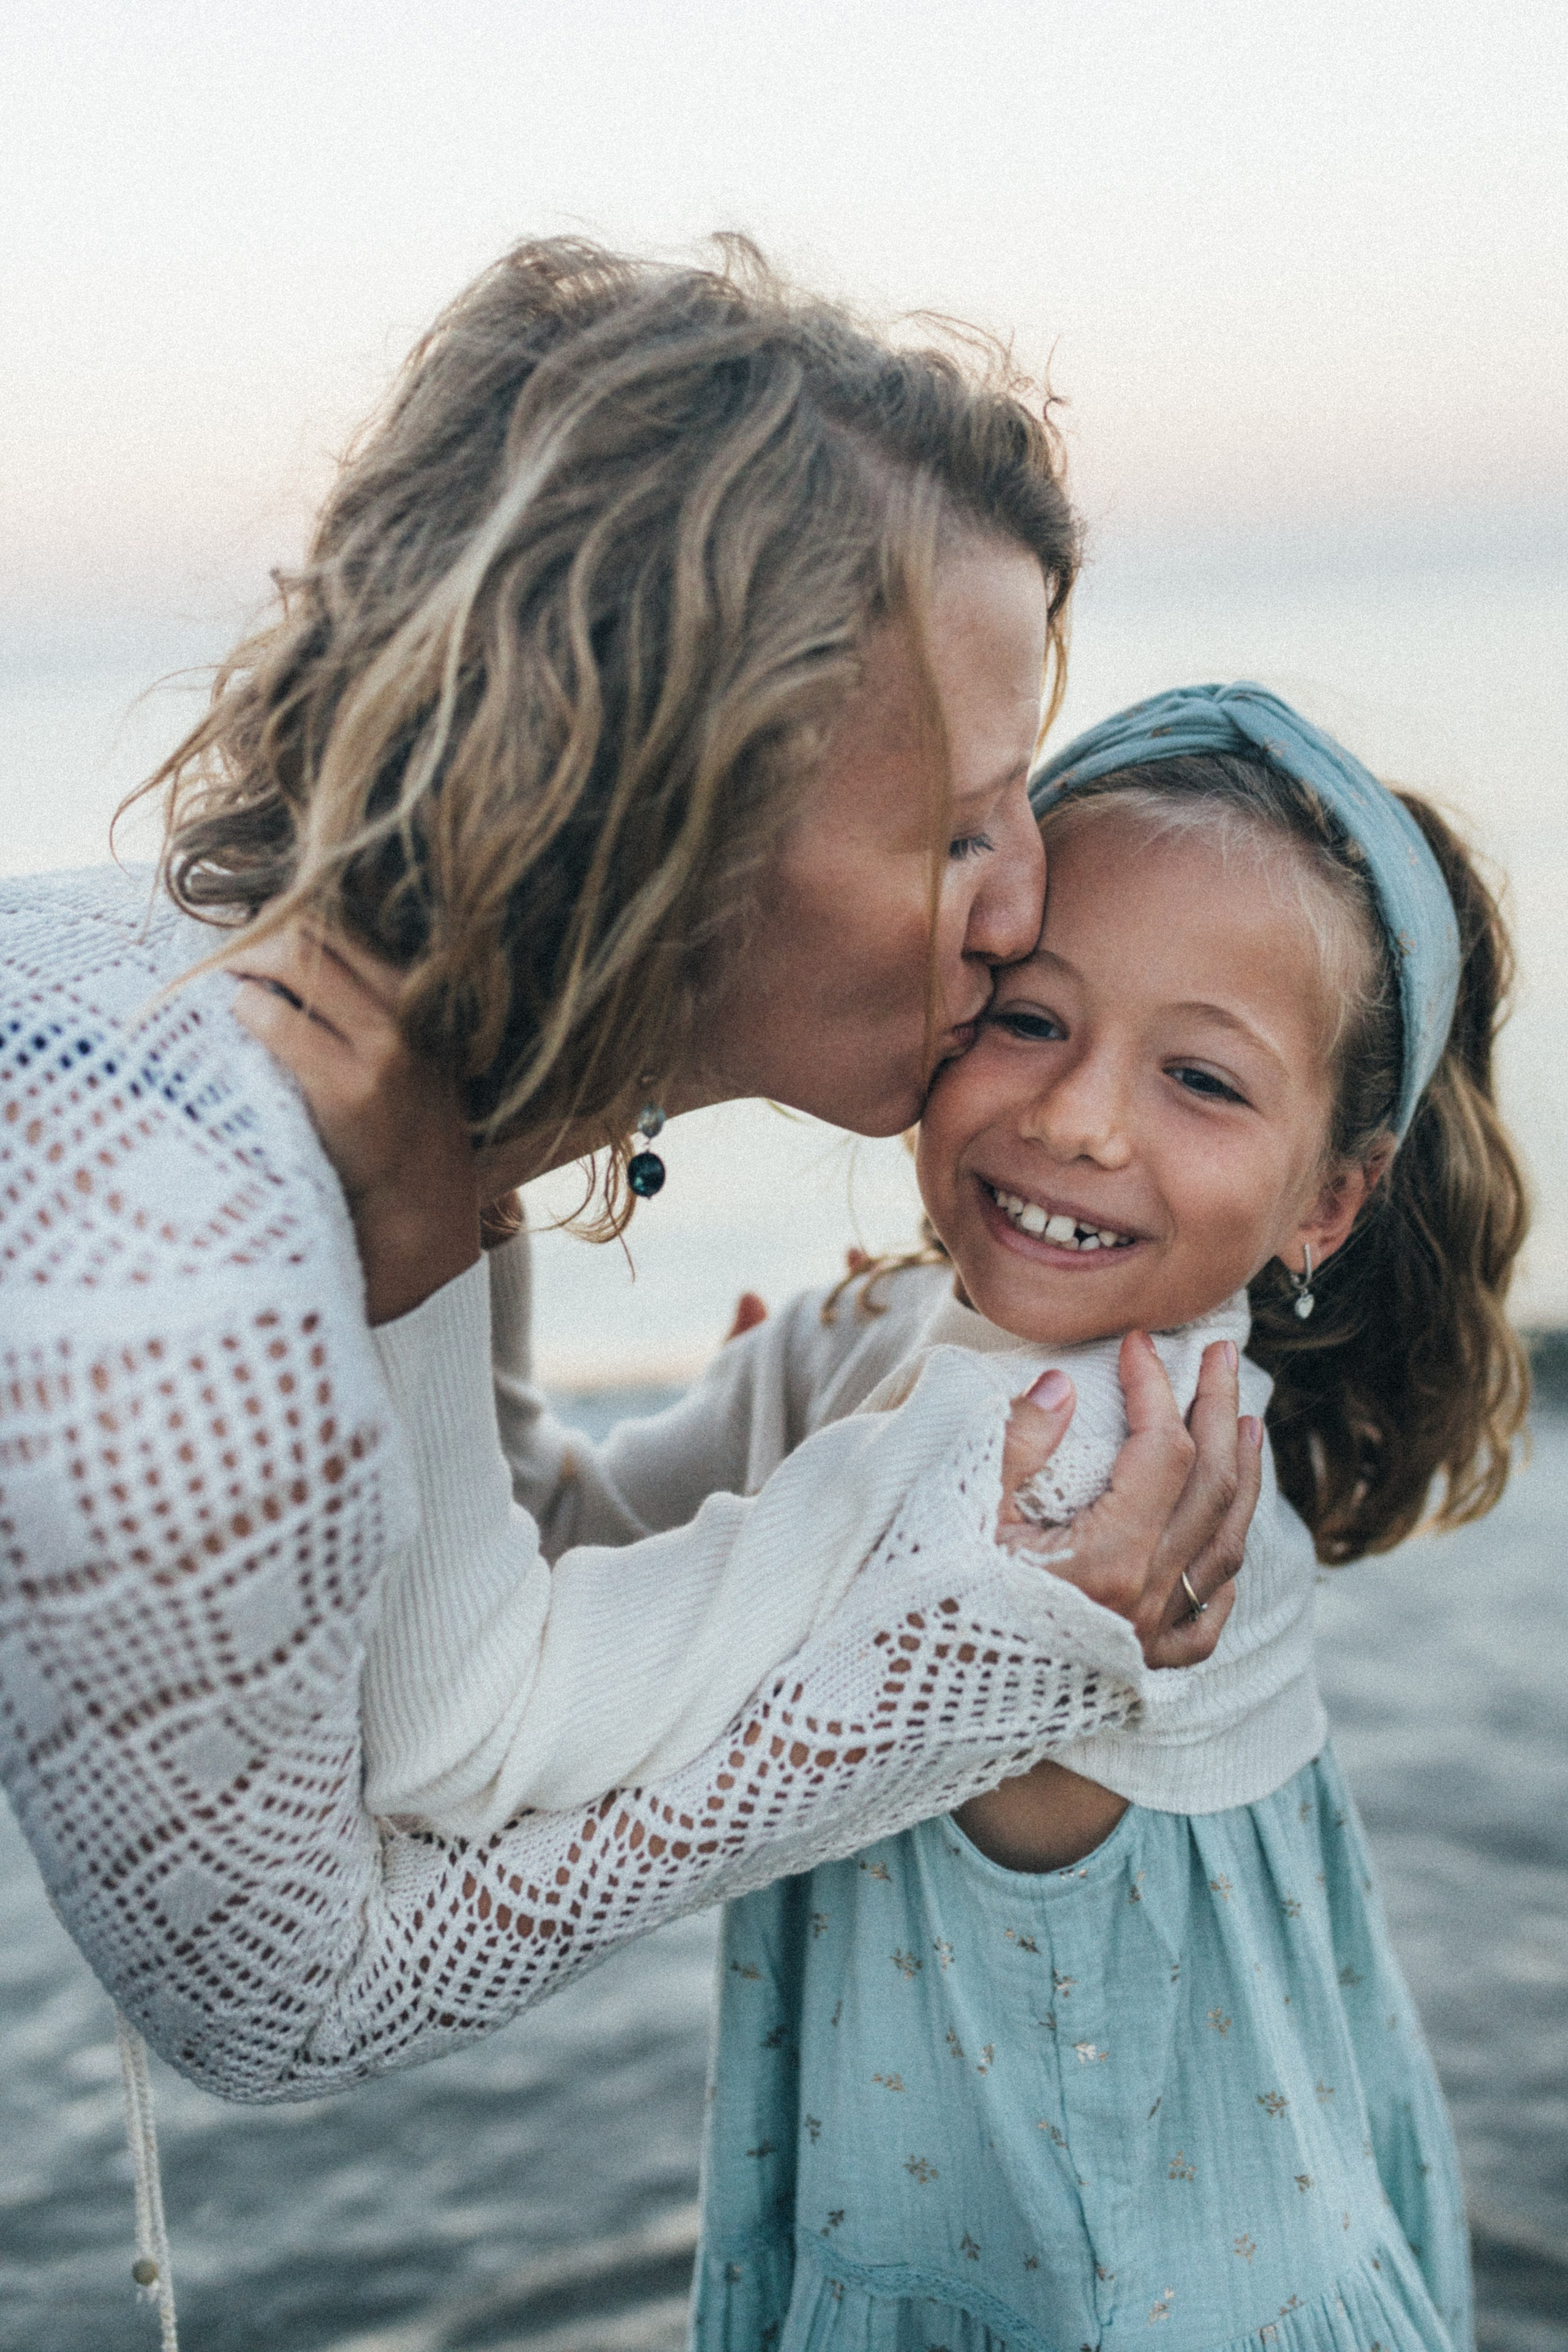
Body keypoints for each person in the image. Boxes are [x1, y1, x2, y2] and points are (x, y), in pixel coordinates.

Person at [0, 239, 1254, 2104]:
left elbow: (454, 1589)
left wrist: (500, 1282)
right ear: (670, 811)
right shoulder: (208, 1295)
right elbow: (285, 1998)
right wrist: (990, 1661)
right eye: (961, 825)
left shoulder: (326, 1086)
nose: (1029, 903)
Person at [349, 687, 1524, 2349]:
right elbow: (550, 1542)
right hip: (1110, 2256)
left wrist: (427, 1186)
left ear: (1329, 1197)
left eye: (1201, 1077)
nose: (1082, 1118)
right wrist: (489, 1197)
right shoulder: (887, 1348)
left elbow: (463, 1728)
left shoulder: (1058, 1461)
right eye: (1031, 1019)